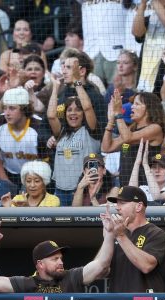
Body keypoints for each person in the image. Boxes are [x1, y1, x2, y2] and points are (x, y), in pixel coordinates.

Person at [104, 186, 165, 300]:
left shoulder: (155, 233)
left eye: (123, 203)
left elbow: (146, 265)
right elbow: (103, 271)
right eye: (116, 203)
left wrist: (120, 236)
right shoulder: (116, 233)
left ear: (139, 206)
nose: (117, 207)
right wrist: (107, 236)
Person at [47, 61, 100, 206]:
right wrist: (56, 88)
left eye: (77, 109)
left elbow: (88, 107)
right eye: (69, 110)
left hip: (83, 191)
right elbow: (51, 116)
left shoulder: (91, 130)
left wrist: (77, 82)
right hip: (59, 191)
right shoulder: (62, 132)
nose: (73, 113)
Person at [101, 91, 165, 186]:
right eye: (133, 104)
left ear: (149, 108)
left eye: (137, 104)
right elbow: (106, 148)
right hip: (126, 186)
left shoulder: (155, 128)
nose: (132, 107)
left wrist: (119, 114)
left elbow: (128, 138)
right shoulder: (131, 130)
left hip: (144, 187)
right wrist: (111, 119)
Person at [0, 88, 43, 187]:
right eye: (5, 108)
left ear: (24, 109)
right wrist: (5, 180)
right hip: (8, 174)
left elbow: (46, 162)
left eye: (12, 108)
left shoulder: (39, 127)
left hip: (36, 177)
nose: (7, 113)